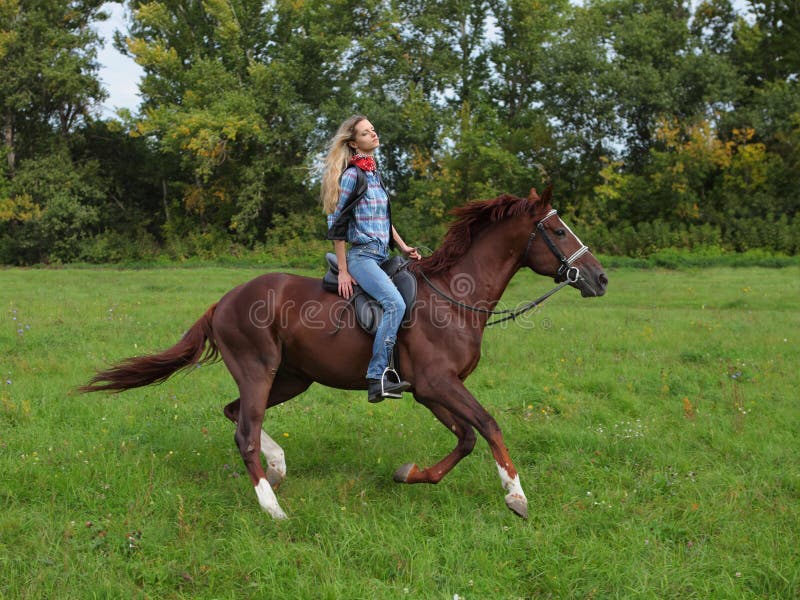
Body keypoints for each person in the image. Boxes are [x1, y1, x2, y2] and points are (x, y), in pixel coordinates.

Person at [322, 115, 421, 403]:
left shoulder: (374, 174)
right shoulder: (353, 175)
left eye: (373, 130)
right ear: (354, 144)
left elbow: (384, 219)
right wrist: (343, 270)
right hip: (362, 257)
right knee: (395, 303)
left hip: (383, 255)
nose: (373, 135)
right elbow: (336, 224)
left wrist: (402, 247)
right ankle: (377, 377)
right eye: (366, 134)